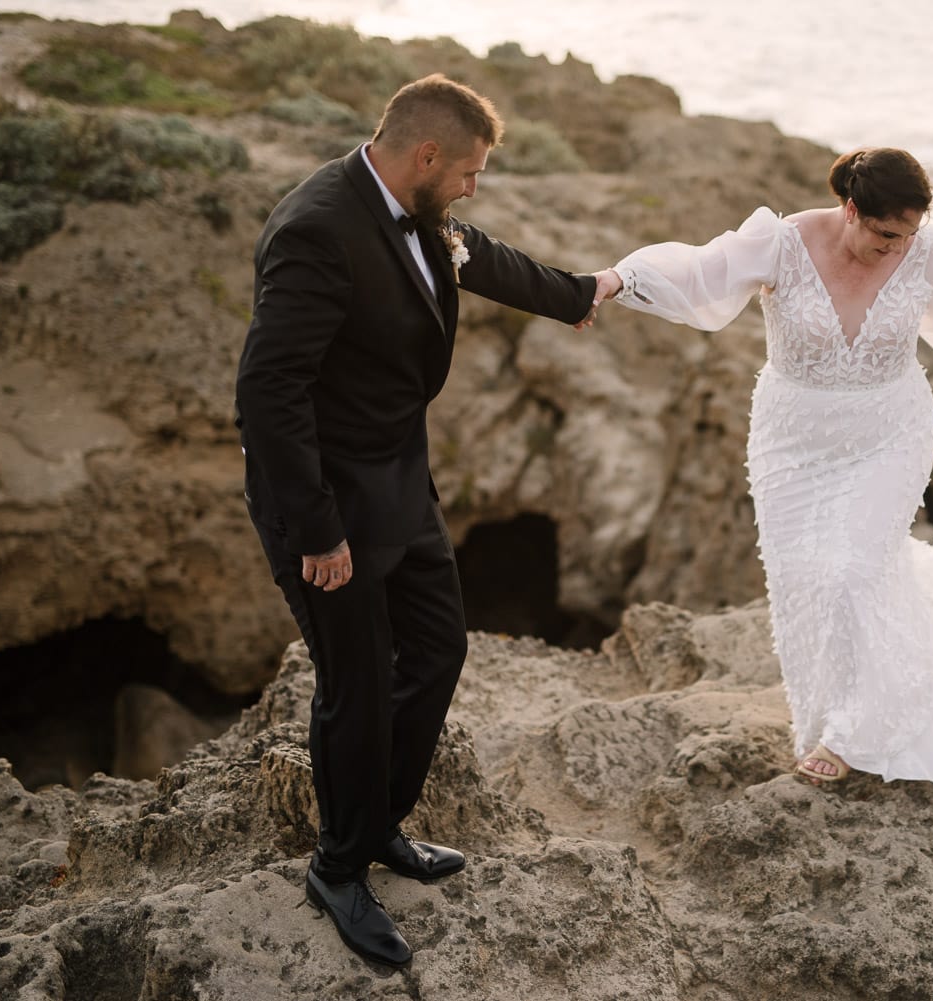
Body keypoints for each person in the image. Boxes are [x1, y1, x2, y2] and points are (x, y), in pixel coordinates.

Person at [598, 147, 933, 789]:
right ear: (851, 209)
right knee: (805, 579)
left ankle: (854, 733)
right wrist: (619, 280)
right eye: (886, 235)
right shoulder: (780, 242)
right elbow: (701, 272)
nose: (897, 249)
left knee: (857, 569)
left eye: (908, 236)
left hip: (890, 431)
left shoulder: (925, 253)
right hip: (792, 440)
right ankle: (824, 721)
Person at [234, 74, 620, 968]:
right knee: (356, 684)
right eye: (471, 172)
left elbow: (473, 252)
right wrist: (318, 532)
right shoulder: (314, 229)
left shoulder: (418, 206)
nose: (475, 189)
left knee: (440, 649)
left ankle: (379, 827)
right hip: (328, 503)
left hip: (400, 480)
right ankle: (338, 868)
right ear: (427, 155)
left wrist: (580, 293)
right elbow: (267, 391)